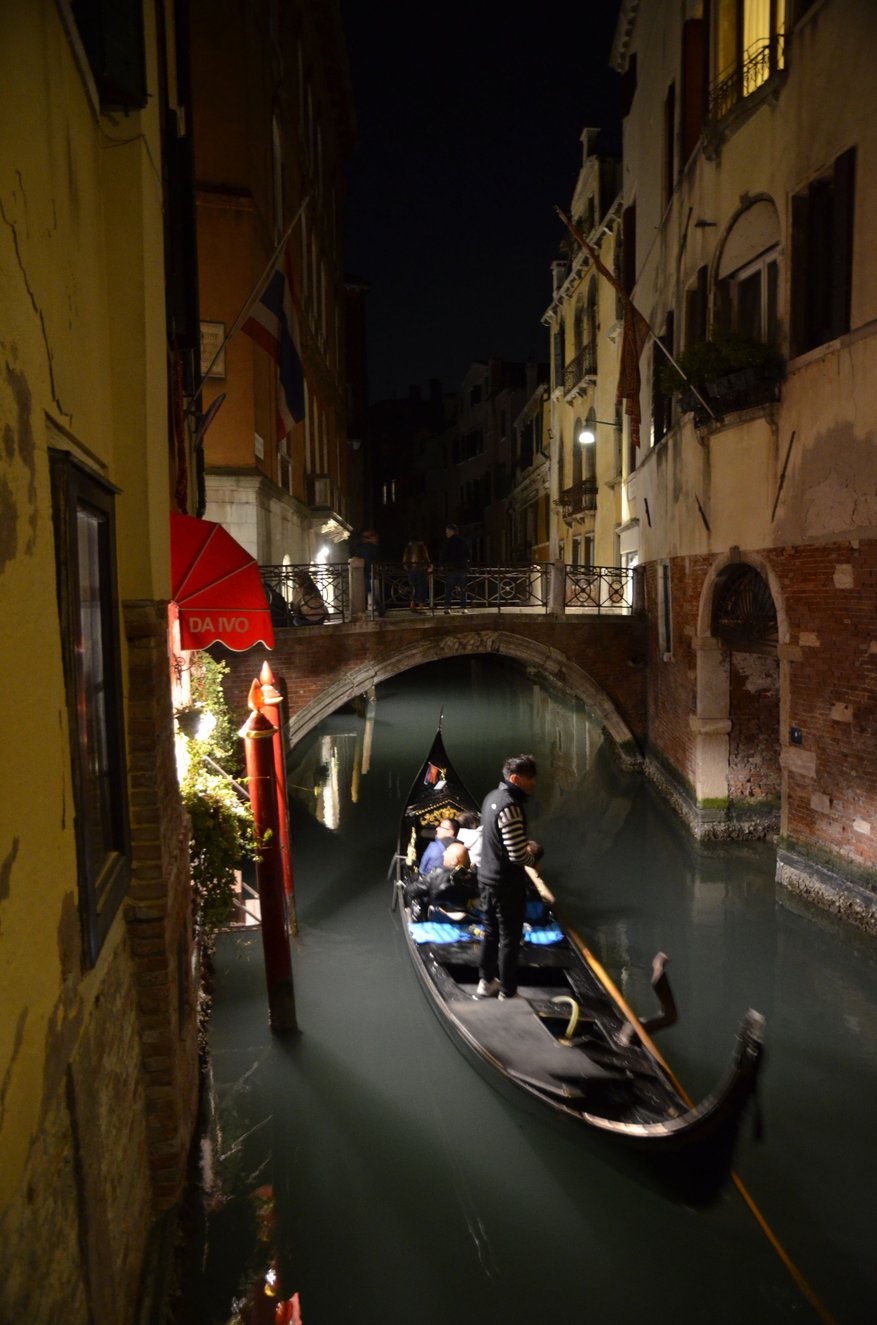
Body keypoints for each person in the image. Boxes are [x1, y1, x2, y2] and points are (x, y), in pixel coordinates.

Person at [476, 754, 542, 1000]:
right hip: (505, 883)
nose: (533, 783)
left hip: (485, 878)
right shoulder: (511, 806)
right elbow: (516, 855)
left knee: (490, 930)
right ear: (515, 779)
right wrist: (533, 862)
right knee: (510, 937)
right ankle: (508, 991)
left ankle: (485, 983)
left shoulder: (491, 797)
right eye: (529, 779)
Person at [349, 529, 384, 616]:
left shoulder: (363, 547)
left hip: (367, 571)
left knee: (370, 590)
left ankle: (368, 609)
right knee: (370, 590)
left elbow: (357, 556)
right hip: (367, 571)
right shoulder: (369, 547)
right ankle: (376, 608)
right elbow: (373, 559)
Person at [439, 523, 469, 613]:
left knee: (449, 588)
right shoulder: (463, 541)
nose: (446, 533)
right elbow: (468, 554)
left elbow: (443, 555)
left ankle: (447, 607)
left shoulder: (448, 542)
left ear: (452, 531)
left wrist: (442, 565)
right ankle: (463, 607)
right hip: (462, 568)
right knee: (463, 588)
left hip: (452, 568)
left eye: (447, 532)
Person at [402, 538, 432, 612]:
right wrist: (427, 565)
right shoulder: (421, 547)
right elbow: (426, 557)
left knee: (414, 587)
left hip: (413, 569)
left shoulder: (409, 548)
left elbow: (405, 559)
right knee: (420, 587)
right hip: (419, 569)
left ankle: (414, 605)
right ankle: (419, 606)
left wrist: (407, 567)